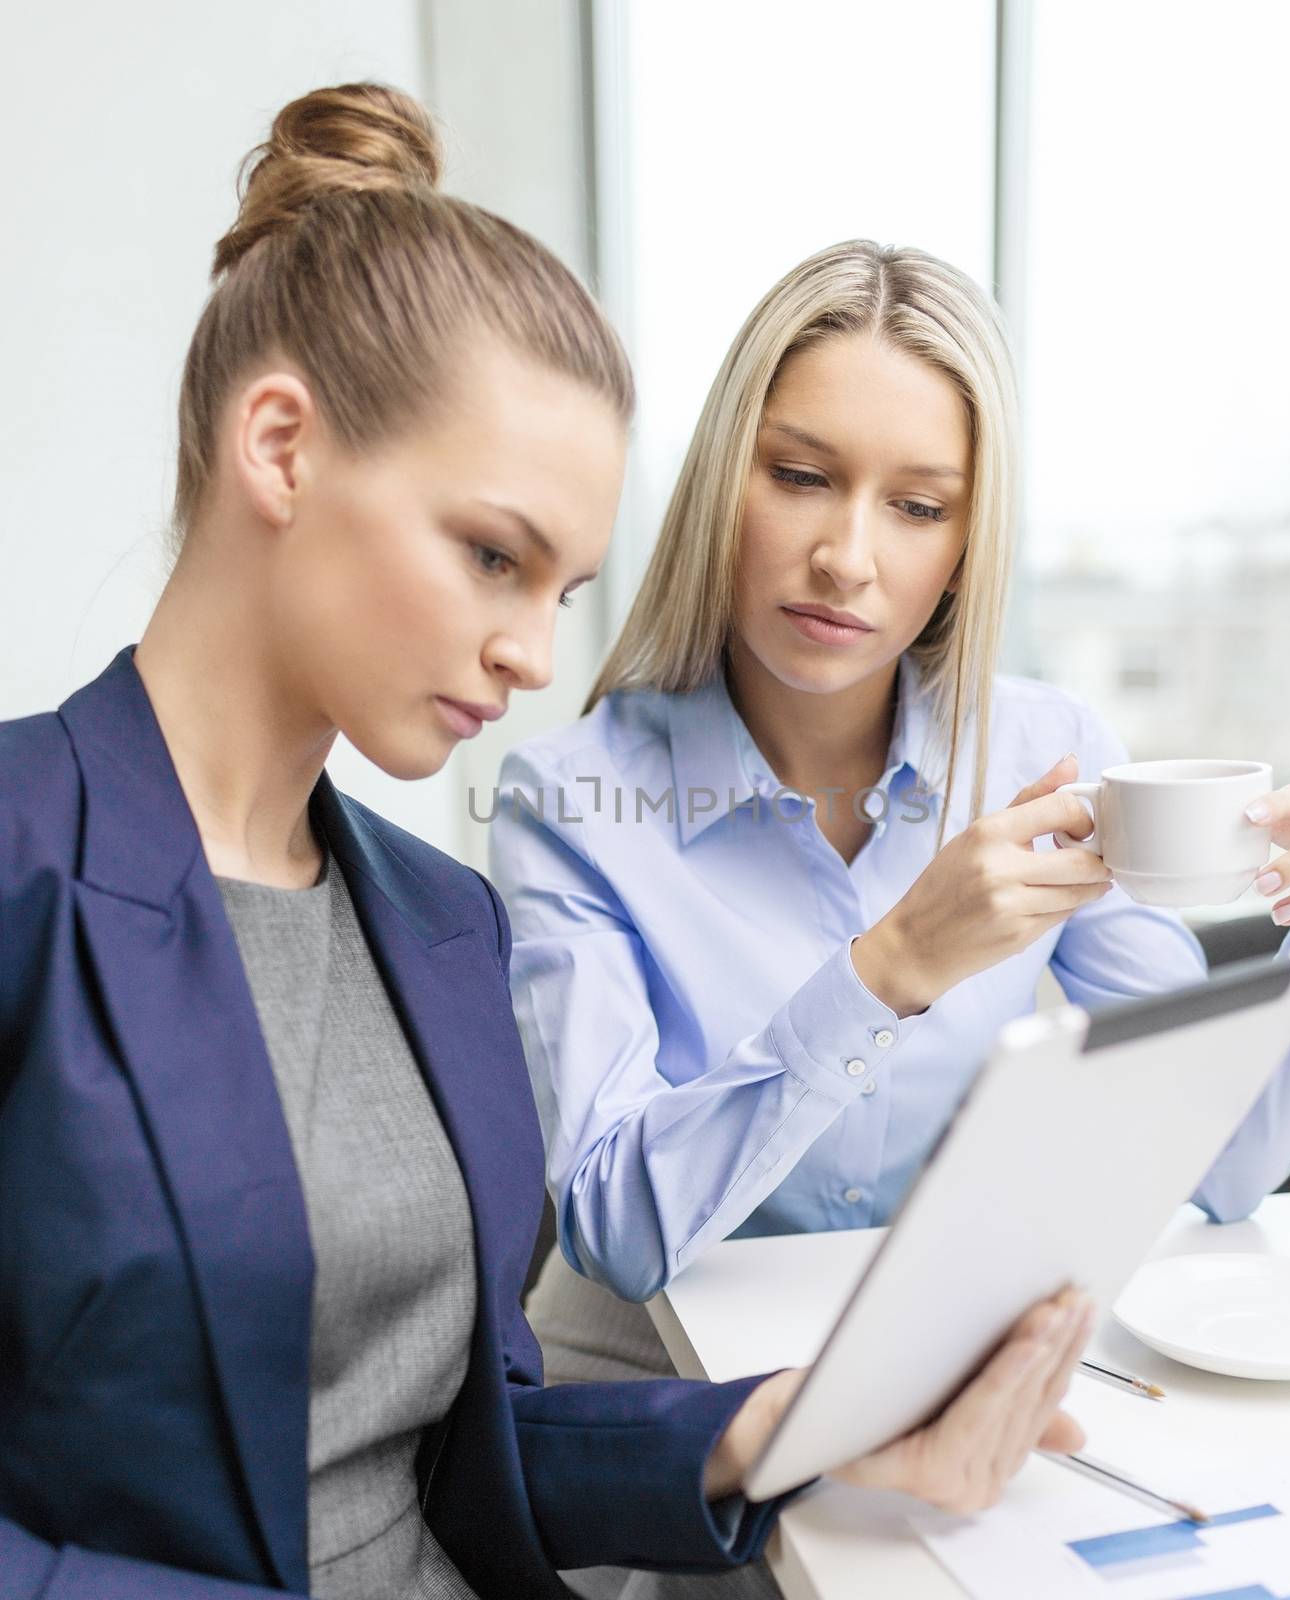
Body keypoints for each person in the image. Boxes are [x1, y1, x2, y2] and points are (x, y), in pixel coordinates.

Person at [0, 89, 1097, 1600]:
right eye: (492, 556)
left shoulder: (440, 925)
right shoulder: (19, 864)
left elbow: (460, 1456)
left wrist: (776, 1434)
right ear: (280, 447)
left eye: (563, 589)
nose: (530, 655)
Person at [488, 237, 1290, 1482]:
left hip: (928, 1413)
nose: (848, 557)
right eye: (801, 475)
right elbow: (615, 1228)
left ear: (966, 545)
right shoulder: (570, 799)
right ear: (719, 487)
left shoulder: (1051, 749)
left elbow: (1220, 1161)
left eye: (917, 507)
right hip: (663, 1436)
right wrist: (892, 963)